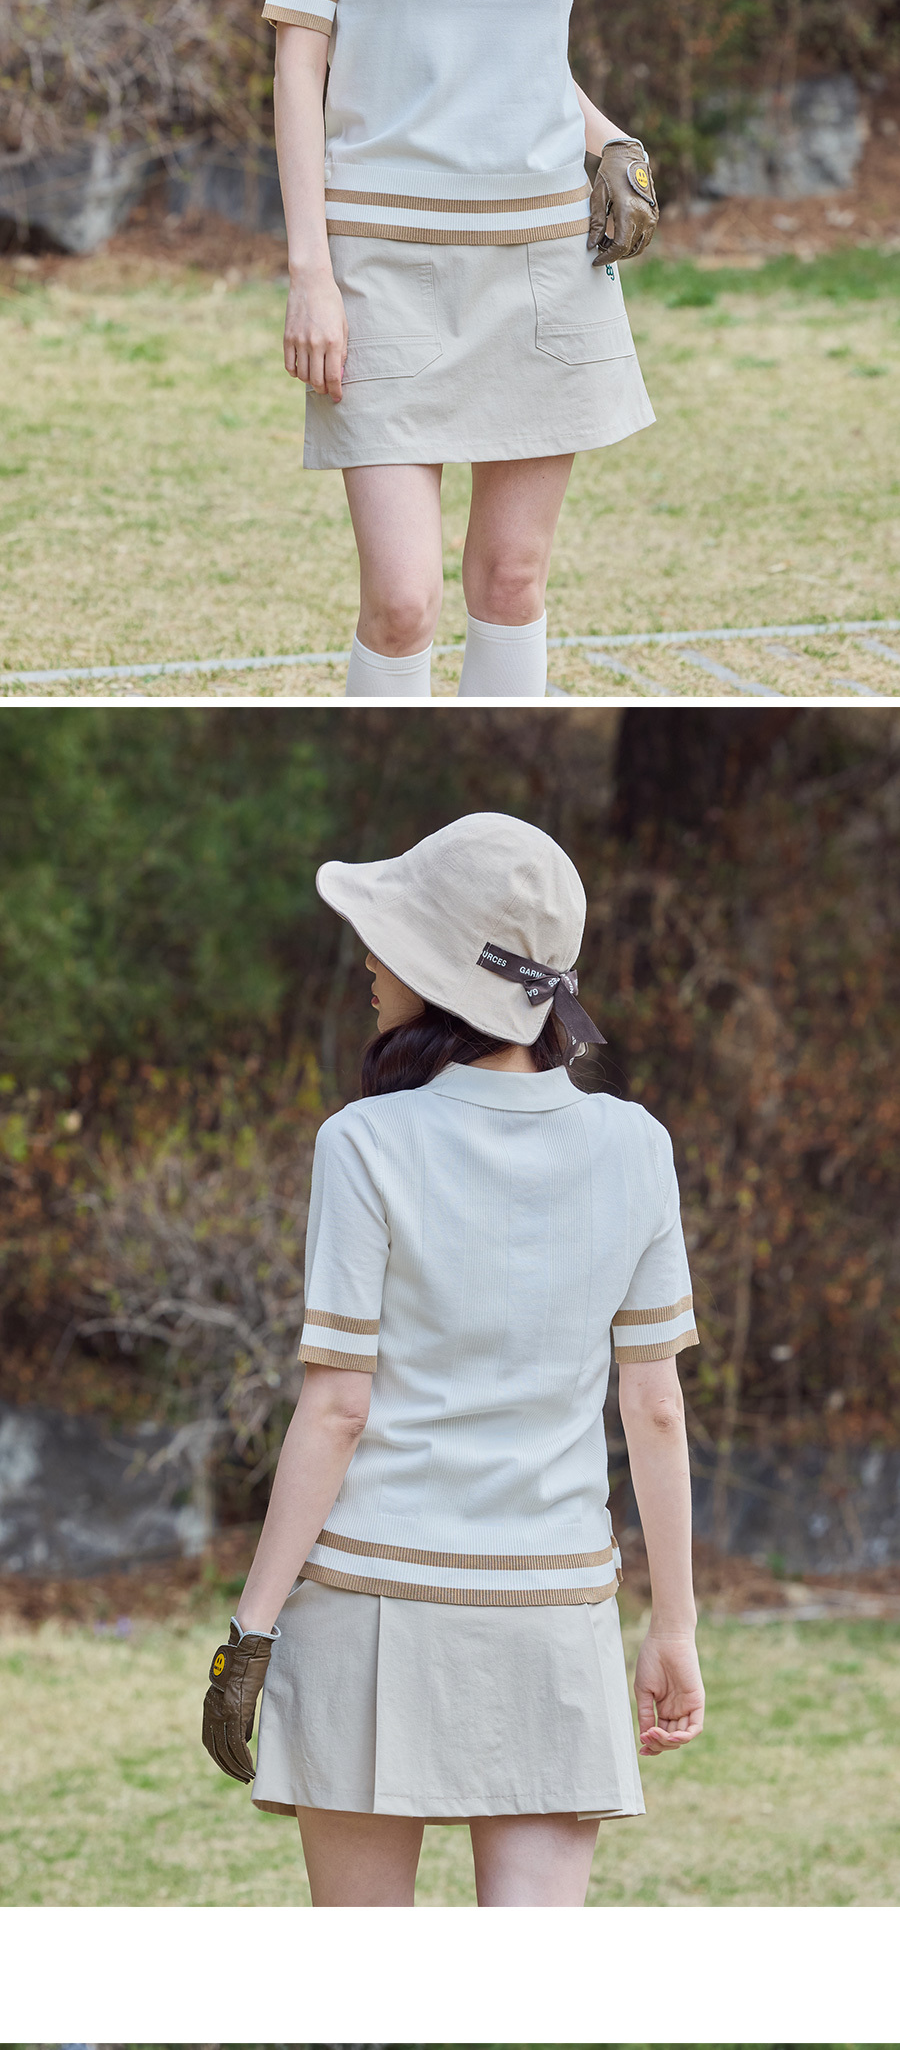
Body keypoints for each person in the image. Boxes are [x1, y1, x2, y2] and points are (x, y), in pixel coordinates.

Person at [202, 810, 705, 1908]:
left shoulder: (363, 1142)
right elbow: (656, 1407)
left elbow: (337, 1410)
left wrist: (251, 1630)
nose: (368, 961)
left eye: (389, 939)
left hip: (369, 1606)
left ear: (438, 971)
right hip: (552, 1612)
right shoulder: (637, 1146)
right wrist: (673, 1626)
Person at [264, 0, 659, 702]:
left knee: (513, 579)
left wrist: (613, 143)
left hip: (542, 262)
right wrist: (311, 272)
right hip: (383, 265)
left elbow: (527, 55)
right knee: (402, 599)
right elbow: (299, 61)